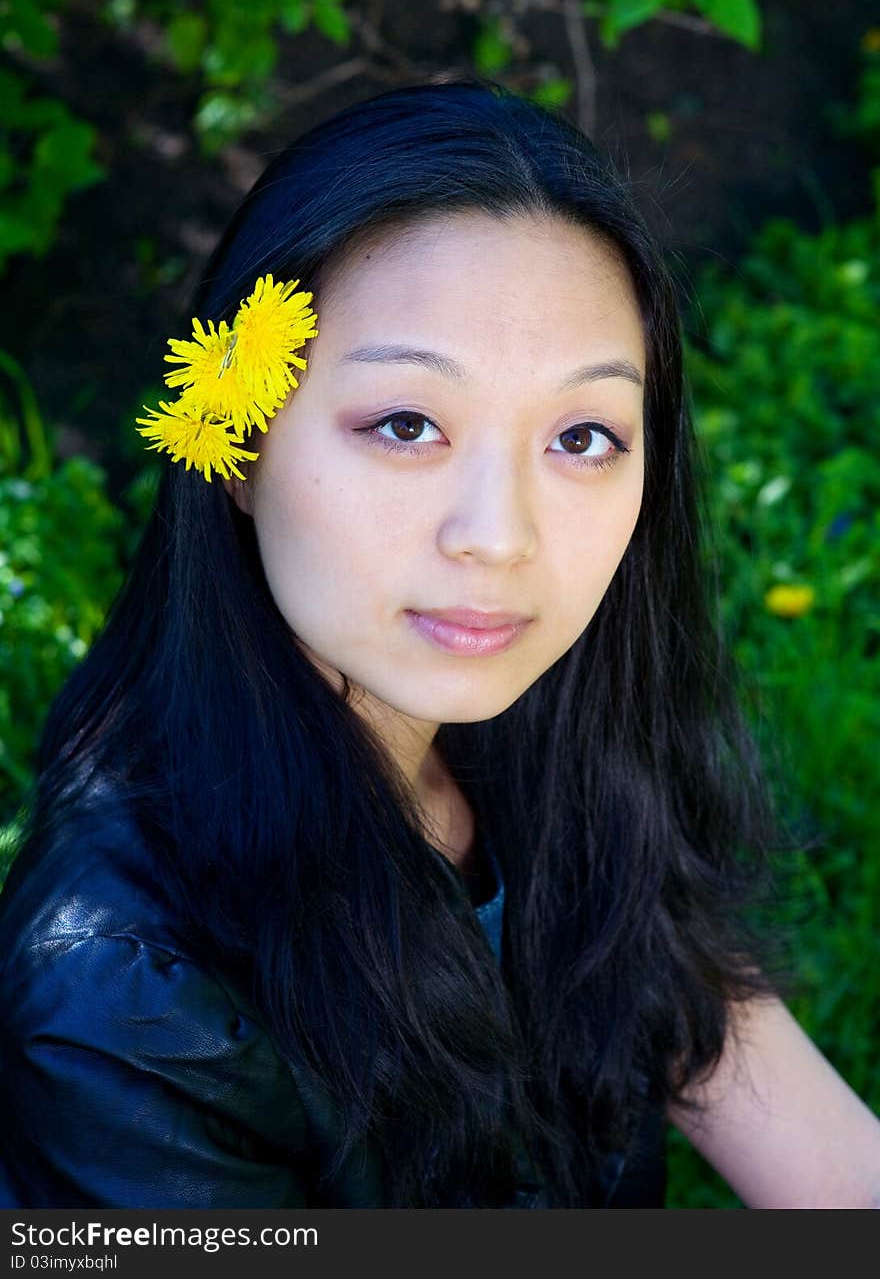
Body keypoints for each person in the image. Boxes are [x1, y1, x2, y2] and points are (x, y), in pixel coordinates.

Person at [1, 76, 878, 1210]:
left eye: (581, 434)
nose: (500, 538)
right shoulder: (125, 1003)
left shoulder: (556, 731)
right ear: (239, 448)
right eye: (406, 424)